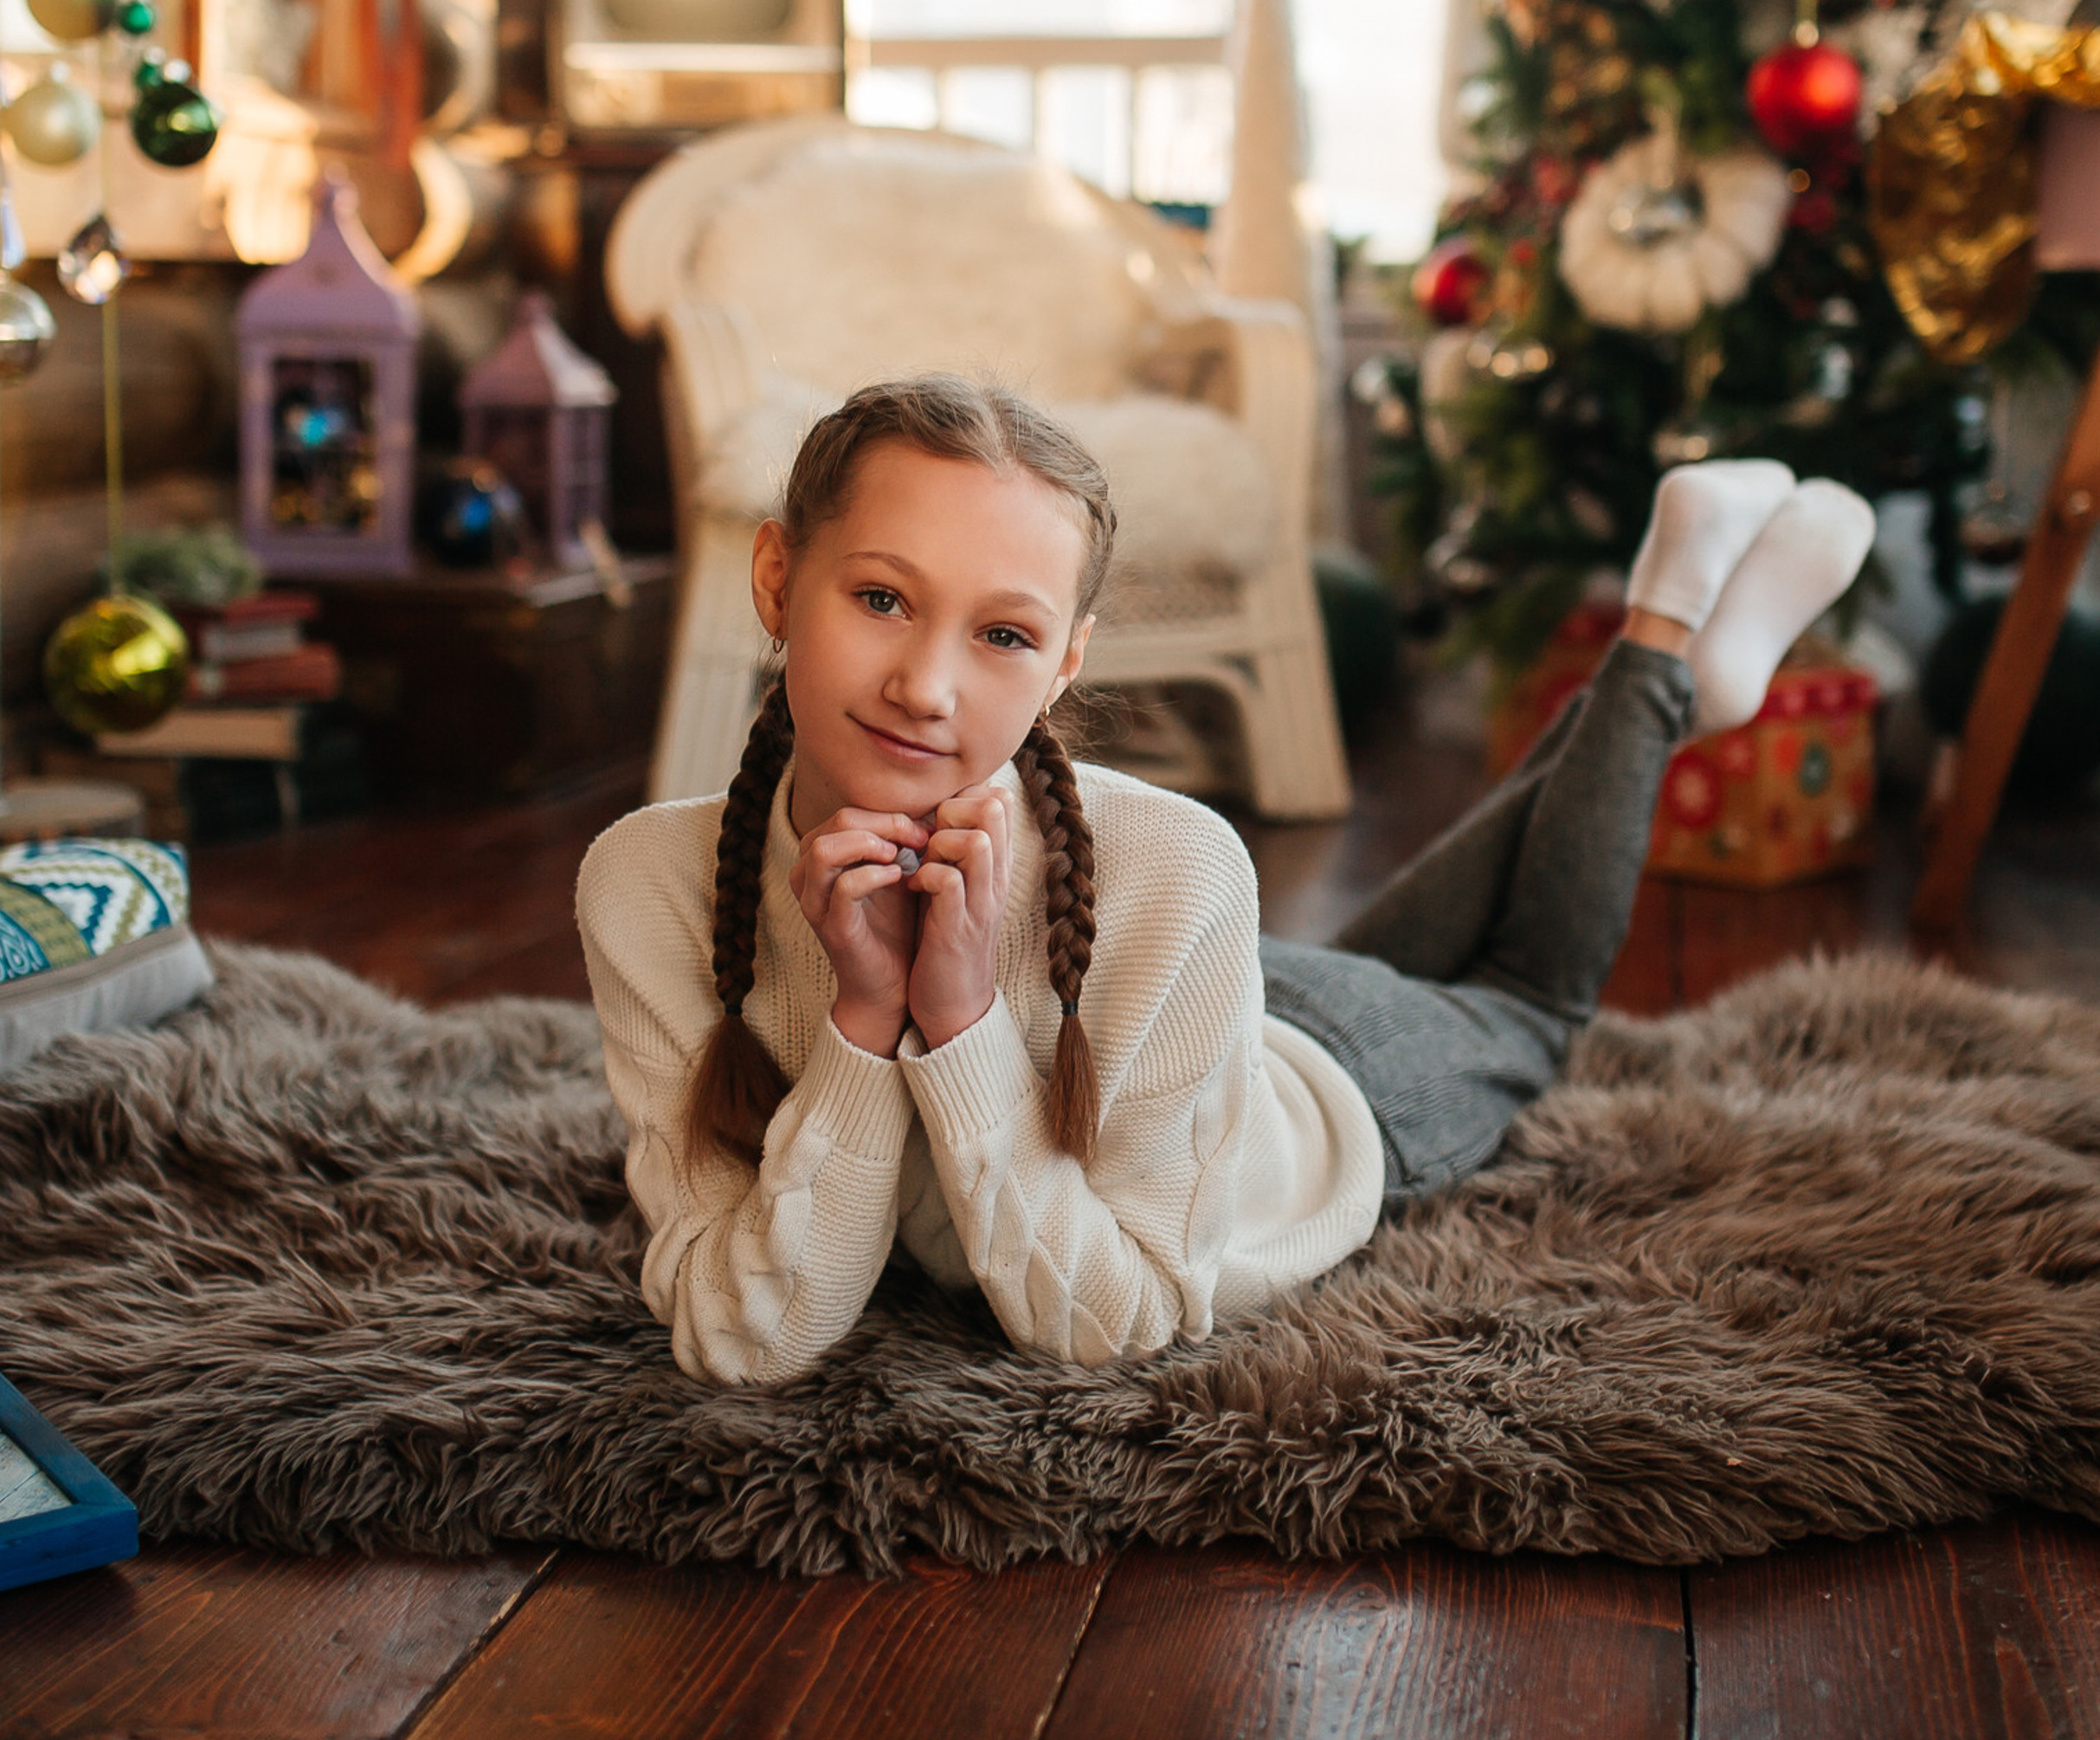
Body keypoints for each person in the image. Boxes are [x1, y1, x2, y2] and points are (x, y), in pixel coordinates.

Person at [577, 377, 1874, 1388]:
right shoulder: (645, 884)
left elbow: (1116, 1320)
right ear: (775, 579)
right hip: (1203, 1015)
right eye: (879, 597)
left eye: (1005, 635)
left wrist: (965, 1019)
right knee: (1439, 952)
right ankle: (1687, 678)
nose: (927, 686)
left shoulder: (1174, 866)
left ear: (1066, 663)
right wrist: (867, 1025)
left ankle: (1662, 638)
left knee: (1528, 999)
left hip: (1308, 1092)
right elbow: (745, 1336)